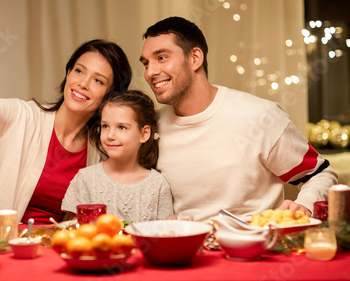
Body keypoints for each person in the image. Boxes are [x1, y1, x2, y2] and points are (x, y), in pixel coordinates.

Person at [139, 16, 338, 221]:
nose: (150, 72)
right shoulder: (150, 127)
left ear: (195, 58)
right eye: (146, 63)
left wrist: (304, 205)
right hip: (181, 248)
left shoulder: (260, 116)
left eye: (161, 58)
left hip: (254, 248)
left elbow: (321, 174)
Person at [0, 39, 132, 224]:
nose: (83, 83)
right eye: (79, 71)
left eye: (98, 81)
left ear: (110, 95)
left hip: (58, 253)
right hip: (3, 247)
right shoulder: (21, 117)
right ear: (68, 73)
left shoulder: (100, 151)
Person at [61, 90, 173, 223]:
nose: (110, 135)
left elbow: (165, 234)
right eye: (105, 126)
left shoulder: (158, 184)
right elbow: (76, 234)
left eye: (121, 127)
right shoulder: (86, 179)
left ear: (144, 134)